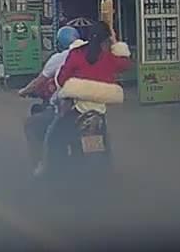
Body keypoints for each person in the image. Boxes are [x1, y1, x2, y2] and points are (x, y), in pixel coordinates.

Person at [34, 21, 131, 177]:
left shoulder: (76, 54)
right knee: (103, 144)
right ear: (106, 40)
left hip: (75, 110)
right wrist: (115, 42)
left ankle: (49, 170)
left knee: (53, 138)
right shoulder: (110, 58)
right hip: (98, 113)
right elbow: (126, 64)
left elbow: (61, 79)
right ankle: (106, 173)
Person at [20, 26, 80, 167]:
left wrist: (23, 91)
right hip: (91, 108)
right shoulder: (89, 56)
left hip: (66, 108)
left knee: (30, 125)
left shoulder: (59, 58)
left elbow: (38, 82)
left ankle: (39, 164)